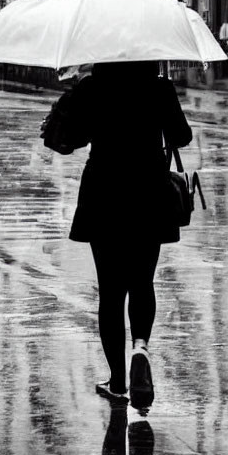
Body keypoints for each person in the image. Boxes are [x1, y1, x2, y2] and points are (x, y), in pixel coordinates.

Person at [65, 61, 192, 409]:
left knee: (110, 290)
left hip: (103, 192)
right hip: (149, 191)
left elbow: (69, 138)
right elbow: (182, 137)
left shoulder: (93, 87)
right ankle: (140, 347)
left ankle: (118, 381)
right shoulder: (159, 87)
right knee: (142, 281)